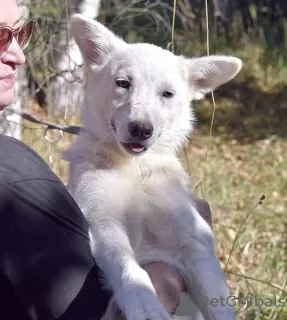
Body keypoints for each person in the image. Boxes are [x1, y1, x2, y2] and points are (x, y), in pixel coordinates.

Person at [0, 1, 212, 319]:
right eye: (1, 36)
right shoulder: (12, 173)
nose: (19, 54)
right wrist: (166, 274)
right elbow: (82, 308)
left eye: (22, 33)